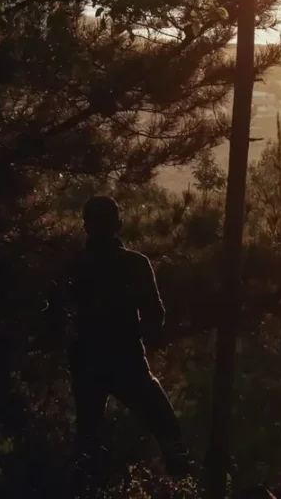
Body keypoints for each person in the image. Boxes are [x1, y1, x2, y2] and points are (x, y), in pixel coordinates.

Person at [45, 195, 191, 480]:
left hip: (87, 361)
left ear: (86, 226)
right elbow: (154, 313)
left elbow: (54, 314)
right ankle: (182, 485)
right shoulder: (134, 264)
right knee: (166, 428)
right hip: (127, 361)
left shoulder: (73, 265)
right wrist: (144, 336)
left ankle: (84, 485)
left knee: (88, 436)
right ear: (119, 225)